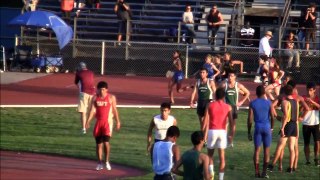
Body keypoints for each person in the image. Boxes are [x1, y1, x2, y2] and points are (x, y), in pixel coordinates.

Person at [268, 85, 304, 173]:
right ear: (292, 92)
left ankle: (272, 165)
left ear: (283, 92)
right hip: (294, 125)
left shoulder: (285, 102)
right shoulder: (296, 101)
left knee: (280, 147)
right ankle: (290, 168)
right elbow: (297, 115)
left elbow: (285, 116)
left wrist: (283, 127)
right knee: (291, 148)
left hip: (287, 125)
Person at [85, 81, 121, 171]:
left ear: (106, 90)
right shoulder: (95, 98)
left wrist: (118, 121)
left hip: (108, 123)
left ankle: (107, 161)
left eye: (103, 90)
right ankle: (99, 162)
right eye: (100, 90)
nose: (102, 91)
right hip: (99, 122)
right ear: (97, 90)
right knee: (98, 144)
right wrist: (88, 121)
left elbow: (115, 110)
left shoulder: (111, 98)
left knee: (106, 142)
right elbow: (92, 111)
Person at [203, 88, 235, 180]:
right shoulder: (228, 107)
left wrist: (204, 135)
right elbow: (232, 124)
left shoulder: (209, 105)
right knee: (222, 158)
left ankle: (211, 174)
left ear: (215, 95)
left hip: (212, 131)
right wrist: (231, 135)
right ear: (224, 96)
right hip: (222, 132)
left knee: (209, 156)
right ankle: (221, 178)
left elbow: (205, 122)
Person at [247, 85, 275, 178]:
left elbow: (250, 119)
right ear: (264, 93)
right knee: (267, 150)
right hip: (267, 127)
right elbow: (272, 116)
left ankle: (256, 171)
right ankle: (264, 172)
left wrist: (249, 131)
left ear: (256, 93)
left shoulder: (253, 103)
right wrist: (272, 128)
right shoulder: (269, 103)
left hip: (258, 127)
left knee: (257, 150)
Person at [220, 71, 250, 145]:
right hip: (226, 107)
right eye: (229, 76)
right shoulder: (224, 85)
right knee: (225, 124)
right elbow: (217, 91)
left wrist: (241, 102)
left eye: (232, 76)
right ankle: (225, 139)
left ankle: (231, 140)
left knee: (233, 124)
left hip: (234, 107)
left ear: (235, 77)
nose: (230, 77)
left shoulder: (238, 85)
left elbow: (248, 92)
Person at [301, 82, 320, 166]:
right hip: (306, 123)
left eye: (311, 90)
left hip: (315, 123)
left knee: (317, 142)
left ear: (314, 90)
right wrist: (305, 105)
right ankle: (307, 160)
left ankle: (316, 159)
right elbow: (300, 110)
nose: (309, 92)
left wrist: (312, 102)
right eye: (308, 90)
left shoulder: (317, 98)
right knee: (306, 143)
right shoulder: (303, 98)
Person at [74, 62, 95, 134]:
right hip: (92, 93)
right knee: (92, 110)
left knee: (83, 112)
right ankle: (88, 123)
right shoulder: (91, 72)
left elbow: (76, 82)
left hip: (84, 93)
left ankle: (83, 128)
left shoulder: (79, 73)